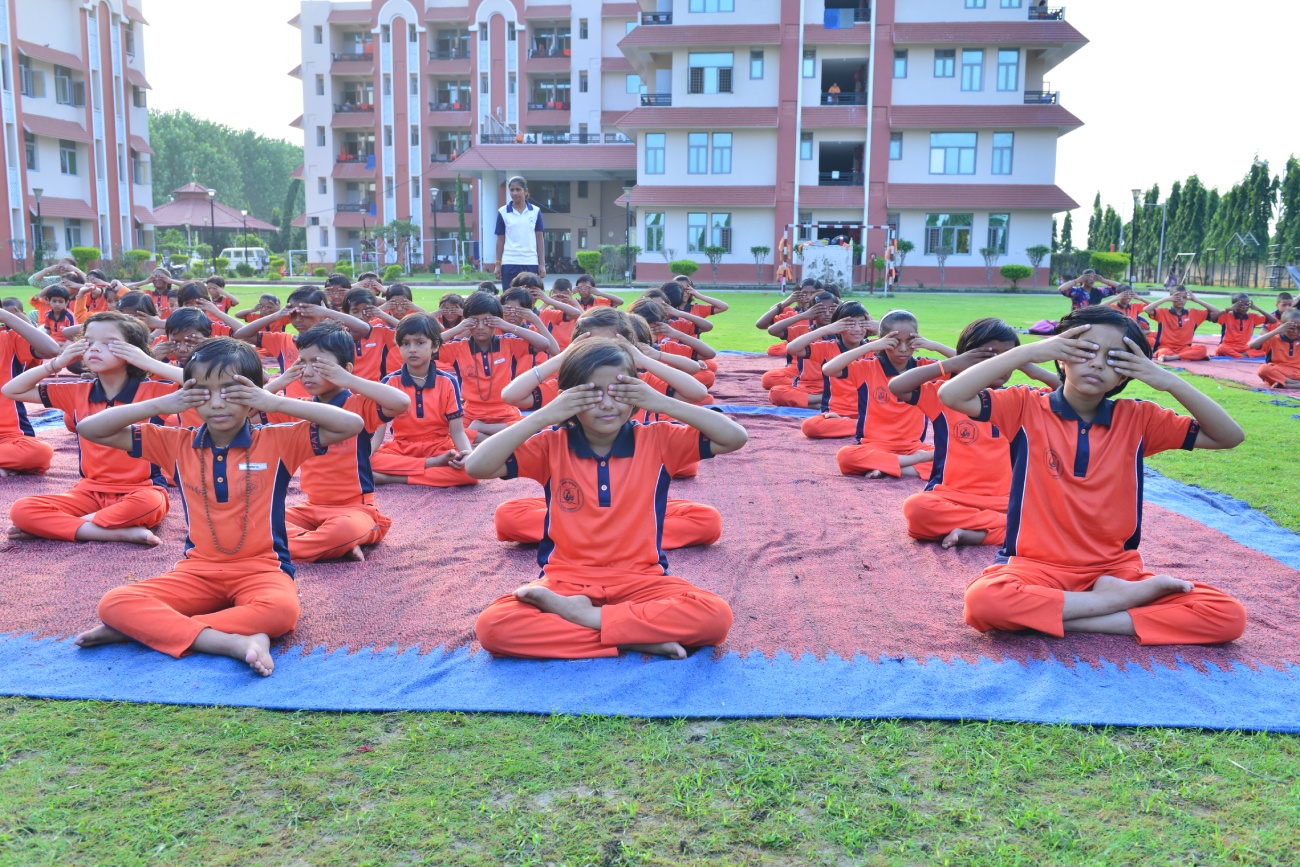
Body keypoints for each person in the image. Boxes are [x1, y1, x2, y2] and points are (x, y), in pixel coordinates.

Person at [938, 305, 1247, 646]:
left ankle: (1064, 615)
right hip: (1035, 568)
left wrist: (1168, 381)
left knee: (1226, 615)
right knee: (984, 601)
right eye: (1086, 351)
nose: (1097, 363)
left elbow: (1229, 436)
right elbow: (951, 394)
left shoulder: (1139, 419)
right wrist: (1030, 352)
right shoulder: (1025, 406)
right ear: (1061, 356)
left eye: (1114, 358)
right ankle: (1109, 605)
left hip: (1115, 572)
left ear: (1127, 374)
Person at [71, 337, 366, 675]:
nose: (216, 403)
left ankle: (144, 629)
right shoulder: (174, 443)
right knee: (115, 603)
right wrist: (166, 402)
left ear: (252, 395)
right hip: (197, 572)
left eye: (231, 391)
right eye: (203, 392)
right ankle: (233, 642)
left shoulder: (279, 440)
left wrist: (270, 400)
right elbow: (89, 428)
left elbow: (351, 424)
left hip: (263, 571)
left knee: (281, 613)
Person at [468, 337, 748, 660]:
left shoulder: (658, 439)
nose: (606, 404)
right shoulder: (551, 445)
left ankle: (589, 621)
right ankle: (634, 637)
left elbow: (734, 437)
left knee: (715, 616)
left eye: (618, 391)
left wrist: (661, 402)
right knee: (493, 626)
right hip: (566, 583)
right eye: (593, 393)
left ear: (635, 393)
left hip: (641, 581)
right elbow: (477, 466)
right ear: (569, 398)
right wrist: (544, 415)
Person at [494, 309, 721, 549]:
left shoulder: (639, 385)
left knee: (707, 519)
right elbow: (511, 396)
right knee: (509, 515)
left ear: (628, 346)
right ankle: (622, 536)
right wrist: (563, 358)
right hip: (579, 501)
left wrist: (644, 359)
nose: (602, 351)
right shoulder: (575, 389)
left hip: (639, 494)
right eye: (591, 344)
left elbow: (698, 393)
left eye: (611, 343)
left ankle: (593, 536)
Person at [3, 312, 184, 545]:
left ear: (133, 351)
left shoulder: (156, 391)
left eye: (109, 343)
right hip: (87, 493)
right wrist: (57, 363)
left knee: (151, 505)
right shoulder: (78, 391)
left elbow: (207, 387)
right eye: (88, 342)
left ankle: (63, 527)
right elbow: (11, 390)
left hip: (140, 491)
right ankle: (111, 531)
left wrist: (148, 362)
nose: (95, 348)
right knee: (22, 509)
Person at [890, 318, 1059, 548]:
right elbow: (897, 386)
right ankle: (1015, 529)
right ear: (967, 357)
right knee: (917, 509)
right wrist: (953, 363)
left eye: (1007, 357)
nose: (999, 364)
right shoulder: (944, 396)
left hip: (1007, 501)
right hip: (952, 498)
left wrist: (1027, 364)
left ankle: (978, 534)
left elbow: (1065, 392)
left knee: (1058, 508)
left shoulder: (1022, 398)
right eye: (989, 356)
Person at [262, 323, 410, 562]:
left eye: (318, 364)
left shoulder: (358, 405)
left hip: (355, 510)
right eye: (302, 363)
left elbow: (401, 402)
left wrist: (349, 379)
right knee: (256, 520)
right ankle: (332, 546)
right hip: (310, 509)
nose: (307, 372)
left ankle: (329, 542)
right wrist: (280, 382)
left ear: (345, 369)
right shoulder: (298, 408)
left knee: (342, 531)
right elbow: (245, 412)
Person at [823, 309, 955, 479]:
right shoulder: (868, 367)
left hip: (914, 447)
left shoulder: (925, 368)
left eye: (909, 341)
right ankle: (910, 463)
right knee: (846, 456)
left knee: (958, 459)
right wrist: (870, 346)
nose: (903, 349)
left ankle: (885, 467)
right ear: (883, 341)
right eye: (895, 342)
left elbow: (971, 366)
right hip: (876, 446)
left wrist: (935, 346)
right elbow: (829, 369)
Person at [372, 314, 477, 487]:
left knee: (470, 473)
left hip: (439, 446)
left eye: (420, 343)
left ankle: (392, 478)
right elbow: (378, 433)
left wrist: (467, 454)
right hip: (403, 448)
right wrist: (365, 456)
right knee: (368, 462)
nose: (412, 349)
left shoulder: (447, 381)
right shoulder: (390, 382)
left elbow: (458, 431)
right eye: (405, 343)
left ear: (435, 346)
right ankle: (430, 465)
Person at [437, 290, 557, 435]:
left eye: (487, 321)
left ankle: (481, 432)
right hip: (471, 413)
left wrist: (508, 326)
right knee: (446, 432)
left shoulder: (509, 343)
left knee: (536, 429)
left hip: (505, 411)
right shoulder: (458, 348)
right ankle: (489, 436)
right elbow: (428, 349)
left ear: (497, 321)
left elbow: (545, 344)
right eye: (474, 321)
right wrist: (457, 329)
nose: (480, 327)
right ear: (467, 322)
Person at [785, 301, 880, 438]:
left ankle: (857, 425)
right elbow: (792, 348)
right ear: (838, 325)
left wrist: (881, 327)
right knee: (810, 426)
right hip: (835, 413)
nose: (857, 329)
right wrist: (827, 329)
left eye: (862, 323)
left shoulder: (875, 348)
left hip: (869, 413)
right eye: (850, 324)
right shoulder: (828, 347)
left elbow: (904, 346)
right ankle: (866, 427)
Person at [0, 305, 61, 475]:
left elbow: (51, 350)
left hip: (9, 437)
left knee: (40, 452)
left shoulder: (8, 339)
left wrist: (7, 316)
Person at [766, 290, 840, 407]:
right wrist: (803, 315)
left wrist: (844, 308)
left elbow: (871, 330)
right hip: (806, 386)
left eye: (831, 310)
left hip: (833, 385)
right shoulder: (803, 331)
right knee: (776, 393)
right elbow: (772, 330)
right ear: (812, 311)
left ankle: (817, 402)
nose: (827, 313)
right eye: (821, 310)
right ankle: (824, 400)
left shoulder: (843, 333)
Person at [493, 175, 546, 287]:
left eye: (518, 189)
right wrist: (497, 264)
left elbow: (540, 239)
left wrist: (542, 264)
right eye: (512, 190)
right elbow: (500, 240)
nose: (515, 193)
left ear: (525, 191)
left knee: (530, 295)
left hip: (530, 262)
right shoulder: (503, 212)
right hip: (509, 263)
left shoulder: (535, 211)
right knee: (509, 295)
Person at [1147, 286, 1221, 362]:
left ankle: (1174, 357)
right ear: (1172, 298)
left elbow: (1216, 312)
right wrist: (1166, 299)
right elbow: (1147, 309)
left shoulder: (1193, 313)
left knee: (1202, 349)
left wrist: (1197, 300)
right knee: (1164, 352)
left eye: (1184, 297)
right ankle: (1189, 356)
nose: (1181, 300)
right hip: (1165, 348)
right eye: (1177, 297)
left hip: (1184, 349)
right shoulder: (1163, 312)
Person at [755, 279, 817, 357]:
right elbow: (762, 325)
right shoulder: (791, 314)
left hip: (818, 348)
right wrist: (787, 302)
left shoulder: (825, 315)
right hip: (795, 347)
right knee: (774, 350)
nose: (808, 297)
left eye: (813, 293)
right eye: (804, 293)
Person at [1249, 308, 1300, 388]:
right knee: (1264, 369)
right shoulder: (1274, 339)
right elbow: (1251, 345)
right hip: (1279, 372)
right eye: (1291, 328)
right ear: (1281, 326)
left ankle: (1286, 385)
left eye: (1299, 328)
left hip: (1297, 373)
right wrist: (1276, 331)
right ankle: (1294, 384)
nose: (1295, 331)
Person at [1214, 292, 1276, 358]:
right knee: (1221, 349)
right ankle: (1242, 356)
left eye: (1247, 305)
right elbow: (1213, 317)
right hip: (1228, 347)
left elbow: (1273, 320)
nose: (1244, 307)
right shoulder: (1226, 316)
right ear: (1234, 305)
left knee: (1266, 345)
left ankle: (1241, 355)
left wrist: (1258, 309)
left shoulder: (1252, 317)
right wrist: (1228, 309)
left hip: (1245, 348)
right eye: (1241, 305)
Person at [533, 277, 584, 350]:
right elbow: (533, 318)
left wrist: (575, 303)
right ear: (552, 293)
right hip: (551, 351)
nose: (560, 300)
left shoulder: (574, 313)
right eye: (557, 296)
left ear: (570, 295)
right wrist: (547, 302)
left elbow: (587, 321)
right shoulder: (548, 312)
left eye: (563, 297)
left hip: (569, 350)